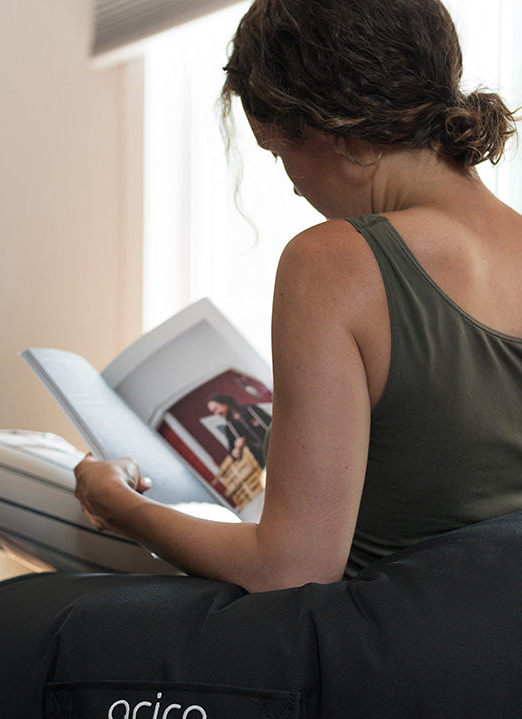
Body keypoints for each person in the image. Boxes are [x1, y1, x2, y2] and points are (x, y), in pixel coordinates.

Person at [72, 0, 522, 592]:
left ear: (341, 131)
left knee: (0, 626)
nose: (291, 183)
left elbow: (290, 568)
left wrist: (123, 511)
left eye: (283, 153)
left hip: (388, 660)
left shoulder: (334, 262)